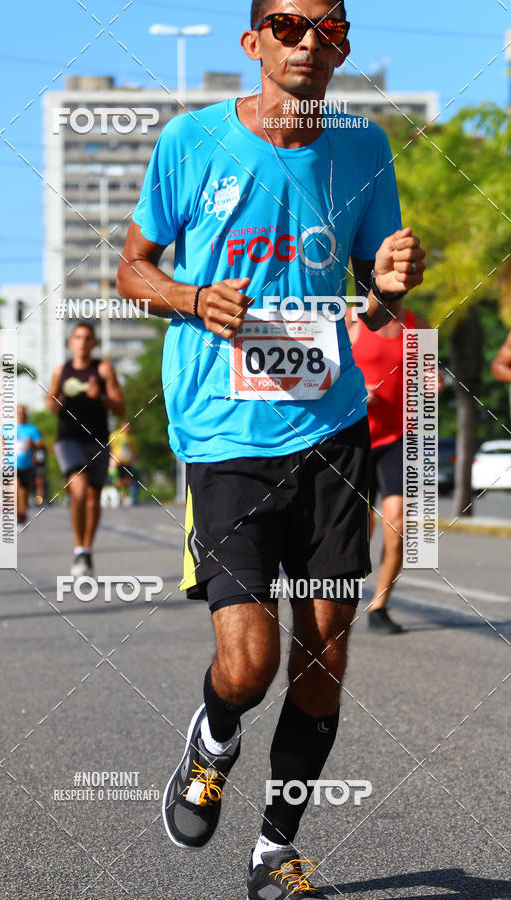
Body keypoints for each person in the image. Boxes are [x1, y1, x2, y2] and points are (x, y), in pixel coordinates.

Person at [117, 1, 425, 895]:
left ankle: (273, 847)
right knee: (248, 667)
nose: (305, 41)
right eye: (287, 25)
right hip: (223, 435)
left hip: (331, 430)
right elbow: (131, 267)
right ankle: (212, 741)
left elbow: (374, 299)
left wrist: (393, 285)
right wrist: (187, 298)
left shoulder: (364, 149)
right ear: (254, 43)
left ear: (344, 46)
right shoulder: (191, 143)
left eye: (325, 27)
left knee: (324, 655)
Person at [349, 304, 429, 634]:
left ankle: (379, 606)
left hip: (400, 437)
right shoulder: (351, 321)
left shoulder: (416, 324)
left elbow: (426, 374)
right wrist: (357, 389)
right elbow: (327, 367)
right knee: (358, 529)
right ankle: (341, 599)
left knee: (397, 521)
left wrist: (430, 383)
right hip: (355, 437)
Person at [47, 322, 125, 575]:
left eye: (87, 338)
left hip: (97, 440)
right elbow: (51, 405)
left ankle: (86, 550)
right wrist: (55, 400)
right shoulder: (61, 371)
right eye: (78, 337)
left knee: (93, 501)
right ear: (70, 342)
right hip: (68, 438)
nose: (82, 342)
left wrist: (100, 398)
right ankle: (79, 548)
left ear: (94, 344)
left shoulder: (103, 370)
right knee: (78, 490)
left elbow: (120, 407)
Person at [15, 405, 43, 524]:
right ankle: (16, 513)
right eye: (18, 412)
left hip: (27, 465)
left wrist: (32, 443)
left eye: (23, 412)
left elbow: (40, 444)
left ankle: (22, 513)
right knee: (14, 486)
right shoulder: (7, 428)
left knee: (23, 490)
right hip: (11, 463)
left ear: (26, 414)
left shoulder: (32, 429)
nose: (21, 414)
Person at [109, 421, 140, 504]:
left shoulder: (130, 438)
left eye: (129, 427)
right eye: (126, 427)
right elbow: (110, 447)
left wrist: (135, 460)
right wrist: (112, 458)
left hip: (127, 462)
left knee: (127, 480)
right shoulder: (115, 435)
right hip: (118, 461)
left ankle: (123, 495)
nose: (127, 429)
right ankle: (118, 493)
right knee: (119, 479)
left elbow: (134, 451)